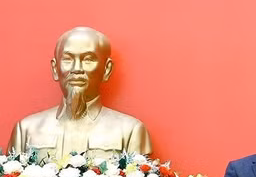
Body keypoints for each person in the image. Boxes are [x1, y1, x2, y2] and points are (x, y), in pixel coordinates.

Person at [8, 27, 151, 159]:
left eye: (88, 59)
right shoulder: (26, 130)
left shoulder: (131, 131)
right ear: (55, 69)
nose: (77, 69)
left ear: (106, 69)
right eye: (68, 59)